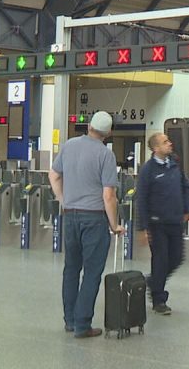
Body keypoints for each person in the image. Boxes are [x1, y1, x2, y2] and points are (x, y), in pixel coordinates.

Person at [49, 110, 123, 339]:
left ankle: (70, 320)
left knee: (71, 269)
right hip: (93, 219)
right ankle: (82, 325)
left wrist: (64, 201)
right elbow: (108, 195)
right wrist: (115, 225)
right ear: (109, 133)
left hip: (70, 217)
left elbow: (53, 175)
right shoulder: (105, 155)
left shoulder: (69, 145)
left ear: (89, 125)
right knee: (91, 273)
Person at [135, 133, 189, 316]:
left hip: (175, 221)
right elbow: (141, 199)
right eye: (165, 142)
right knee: (160, 260)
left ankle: (152, 282)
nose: (170, 143)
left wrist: (187, 208)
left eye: (169, 140)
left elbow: (184, 186)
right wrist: (143, 228)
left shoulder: (174, 164)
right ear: (155, 148)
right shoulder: (148, 170)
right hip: (156, 224)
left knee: (176, 258)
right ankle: (159, 299)